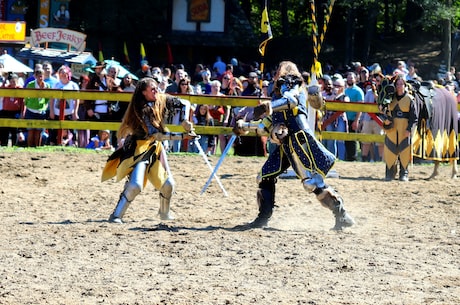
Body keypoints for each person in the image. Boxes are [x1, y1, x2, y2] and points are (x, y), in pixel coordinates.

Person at [233, 60, 355, 230]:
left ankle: (342, 215)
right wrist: (245, 126)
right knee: (265, 176)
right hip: (286, 143)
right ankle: (262, 218)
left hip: (298, 138)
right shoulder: (277, 94)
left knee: (312, 183)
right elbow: (266, 125)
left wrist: (268, 107)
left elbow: (291, 101)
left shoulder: (290, 82)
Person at [101, 77, 197, 223]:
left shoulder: (160, 99)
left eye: (156, 88)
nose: (156, 90)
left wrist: (185, 120)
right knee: (135, 185)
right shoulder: (142, 108)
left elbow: (184, 103)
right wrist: (183, 136)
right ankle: (116, 215)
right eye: (152, 89)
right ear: (144, 93)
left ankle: (164, 213)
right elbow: (157, 134)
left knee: (168, 185)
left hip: (155, 147)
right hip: (139, 148)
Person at [381, 76, 418, 181]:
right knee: (390, 150)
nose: (399, 86)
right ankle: (389, 173)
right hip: (392, 128)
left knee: (404, 151)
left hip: (404, 128)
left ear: (405, 85)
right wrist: (386, 120)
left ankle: (404, 173)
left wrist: (409, 129)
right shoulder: (389, 99)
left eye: (401, 84)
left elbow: (414, 117)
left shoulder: (410, 99)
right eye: (397, 84)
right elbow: (384, 112)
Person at [49, 65, 80, 145]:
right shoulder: (56, 85)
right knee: (55, 130)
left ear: (68, 74)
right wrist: (51, 111)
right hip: (57, 112)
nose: (62, 74)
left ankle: (73, 144)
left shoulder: (73, 85)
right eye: (61, 73)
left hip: (69, 112)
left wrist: (75, 112)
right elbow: (52, 99)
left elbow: (77, 100)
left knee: (71, 130)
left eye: (64, 73)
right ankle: (53, 144)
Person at [322, 75, 348, 160]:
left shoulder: (345, 96)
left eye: (338, 86)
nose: (336, 87)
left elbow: (346, 104)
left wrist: (337, 95)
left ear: (343, 87)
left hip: (340, 119)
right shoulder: (328, 94)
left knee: (340, 140)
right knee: (330, 139)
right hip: (329, 119)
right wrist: (334, 95)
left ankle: (341, 158)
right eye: (335, 85)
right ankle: (331, 158)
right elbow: (326, 102)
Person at [23, 68, 51, 147]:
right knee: (30, 131)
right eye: (38, 76)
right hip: (31, 110)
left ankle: (37, 147)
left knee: (39, 132)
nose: (40, 78)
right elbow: (26, 96)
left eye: (41, 76)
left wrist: (44, 105)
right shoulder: (31, 84)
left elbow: (47, 98)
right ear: (35, 76)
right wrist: (28, 104)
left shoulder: (47, 86)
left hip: (40, 111)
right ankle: (29, 147)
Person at [360, 80, 384, 162]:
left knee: (380, 141)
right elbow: (365, 105)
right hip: (368, 119)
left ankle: (381, 159)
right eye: (376, 81)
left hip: (380, 119)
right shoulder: (369, 92)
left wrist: (376, 96)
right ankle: (364, 158)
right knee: (366, 140)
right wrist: (362, 119)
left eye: (379, 80)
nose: (377, 82)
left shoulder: (384, 92)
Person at [344, 71, 364, 161]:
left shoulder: (358, 91)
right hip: (345, 118)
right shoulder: (345, 90)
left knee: (353, 139)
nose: (349, 79)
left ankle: (353, 157)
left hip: (353, 118)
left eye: (351, 78)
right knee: (345, 139)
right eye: (348, 78)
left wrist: (357, 120)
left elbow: (361, 107)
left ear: (355, 79)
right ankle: (346, 157)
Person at [0, 74, 24, 146]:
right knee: (4, 130)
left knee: (14, 130)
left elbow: (23, 102)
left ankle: (14, 145)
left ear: (17, 81)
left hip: (15, 111)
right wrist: (5, 80)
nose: (13, 83)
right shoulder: (7, 88)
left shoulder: (20, 89)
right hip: (6, 111)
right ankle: (4, 144)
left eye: (14, 81)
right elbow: (1, 89)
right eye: (11, 81)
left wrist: (22, 113)